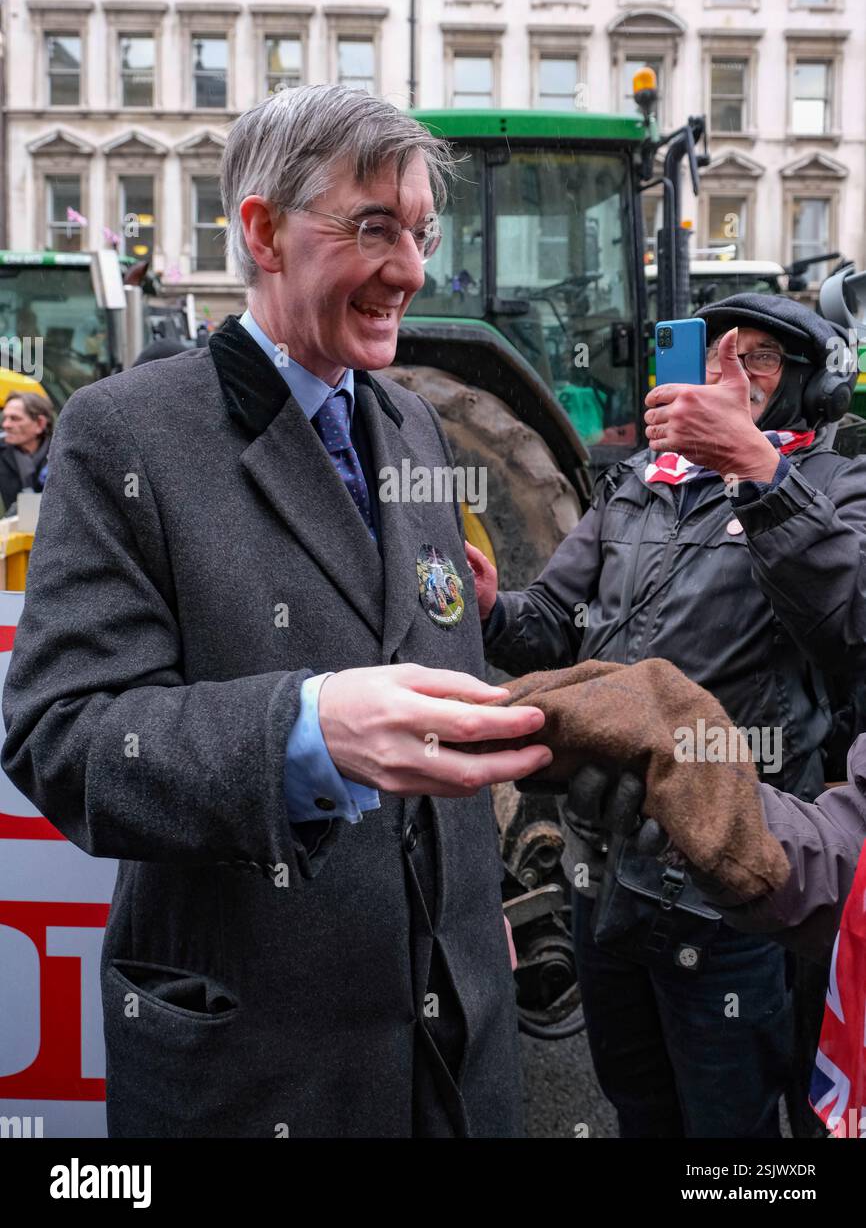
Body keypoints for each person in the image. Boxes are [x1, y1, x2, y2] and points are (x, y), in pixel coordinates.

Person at [0, 84, 553, 1139]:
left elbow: (436, 670)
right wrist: (306, 731)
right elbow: (63, 735)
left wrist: (467, 912)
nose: (411, 269)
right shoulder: (127, 435)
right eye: (374, 226)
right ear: (261, 230)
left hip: (456, 1049)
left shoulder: (414, 428)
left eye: (421, 230)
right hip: (262, 1067)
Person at [469, 292, 866, 1138]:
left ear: (808, 383)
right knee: (637, 1101)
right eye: (716, 352)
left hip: (735, 867)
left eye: (758, 358)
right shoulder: (637, 486)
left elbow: (850, 624)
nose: (731, 371)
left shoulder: (836, 484)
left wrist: (760, 475)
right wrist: (496, 609)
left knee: (735, 1123)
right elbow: (553, 624)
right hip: (604, 865)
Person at [0, 390, 54, 514]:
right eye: (5, 418)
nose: (6, 424)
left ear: (40, 423)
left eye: (15, 419)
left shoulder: (61, 455)